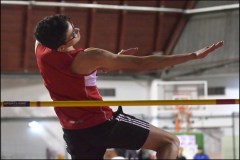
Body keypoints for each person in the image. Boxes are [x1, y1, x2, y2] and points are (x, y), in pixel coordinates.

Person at [33, 14, 223, 159]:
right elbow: (142, 64)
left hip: (73, 133)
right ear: (60, 47)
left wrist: (99, 68)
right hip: (102, 124)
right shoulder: (90, 57)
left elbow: (68, 76)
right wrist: (191, 56)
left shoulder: (40, 50)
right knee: (170, 142)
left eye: (73, 25)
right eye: (73, 33)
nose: (77, 30)